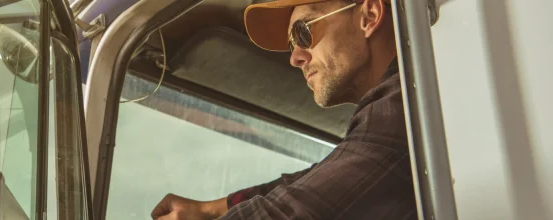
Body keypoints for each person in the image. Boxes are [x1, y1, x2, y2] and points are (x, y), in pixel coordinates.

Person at [150, 0, 417, 219]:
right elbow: (317, 177)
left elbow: (290, 212)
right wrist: (208, 210)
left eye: (303, 32)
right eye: (292, 43)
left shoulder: (401, 110)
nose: (295, 57)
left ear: (369, 16)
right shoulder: (399, 111)